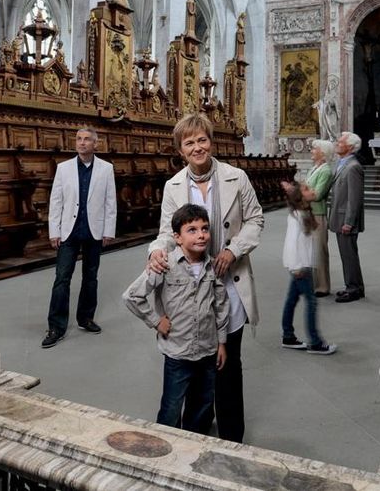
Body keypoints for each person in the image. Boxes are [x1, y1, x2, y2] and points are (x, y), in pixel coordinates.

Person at [147, 113, 264, 442]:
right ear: (180, 151)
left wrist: (234, 249)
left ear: (211, 142)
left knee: (228, 363)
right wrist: (156, 251)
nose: (197, 147)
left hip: (229, 280)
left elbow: (255, 220)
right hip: (190, 287)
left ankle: (231, 436)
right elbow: (166, 234)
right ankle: (198, 431)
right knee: (197, 362)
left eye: (202, 140)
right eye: (189, 143)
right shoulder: (173, 186)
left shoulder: (236, 177)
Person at [124, 204, 229, 434]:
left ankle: (195, 443)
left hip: (207, 350)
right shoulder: (165, 264)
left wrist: (221, 342)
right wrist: (156, 320)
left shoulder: (212, 266)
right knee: (171, 407)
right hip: (177, 352)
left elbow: (220, 305)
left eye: (205, 228)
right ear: (177, 238)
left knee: (202, 404)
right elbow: (132, 296)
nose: (201, 234)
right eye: (191, 230)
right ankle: (168, 446)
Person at [42, 128, 117, 348]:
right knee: (61, 278)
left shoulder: (106, 169)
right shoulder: (63, 168)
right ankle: (56, 326)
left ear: (96, 144)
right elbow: (56, 201)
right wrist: (54, 231)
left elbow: (110, 202)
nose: (82, 143)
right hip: (69, 231)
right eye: (79, 139)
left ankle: (85, 318)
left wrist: (108, 230)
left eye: (87, 140)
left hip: (94, 230)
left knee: (90, 277)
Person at [280, 180, 337, 355]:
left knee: (291, 300)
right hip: (300, 267)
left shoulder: (303, 213)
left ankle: (288, 336)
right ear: (299, 196)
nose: (312, 190)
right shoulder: (297, 216)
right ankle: (315, 342)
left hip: (302, 265)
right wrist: (296, 267)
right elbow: (290, 243)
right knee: (311, 302)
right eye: (307, 189)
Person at [329, 132, 366, 303]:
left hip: (346, 220)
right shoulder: (342, 164)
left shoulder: (353, 167)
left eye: (340, 142)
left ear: (350, 147)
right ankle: (353, 286)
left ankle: (354, 289)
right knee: (346, 255)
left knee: (349, 255)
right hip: (340, 217)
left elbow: (354, 198)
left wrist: (349, 222)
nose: (337, 143)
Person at [307, 140, 335, 297]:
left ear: (322, 153)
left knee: (319, 251)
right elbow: (306, 188)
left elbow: (317, 194)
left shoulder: (326, 171)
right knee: (311, 251)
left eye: (314, 148)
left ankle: (322, 286)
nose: (311, 150)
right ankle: (313, 283)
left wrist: (301, 193)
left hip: (318, 214)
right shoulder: (314, 169)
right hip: (309, 213)